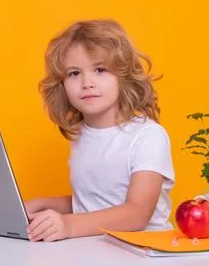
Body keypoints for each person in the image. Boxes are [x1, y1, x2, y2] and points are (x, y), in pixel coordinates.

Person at [25, 19, 175, 242]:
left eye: (100, 69)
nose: (87, 82)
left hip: (144, 251)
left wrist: (66, 224)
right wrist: (44, 205)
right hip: (94, 248)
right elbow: (96, 201)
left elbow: (137, 214)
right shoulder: (81, 134)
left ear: (123, 76)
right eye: (74, 73)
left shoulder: (148, 136)